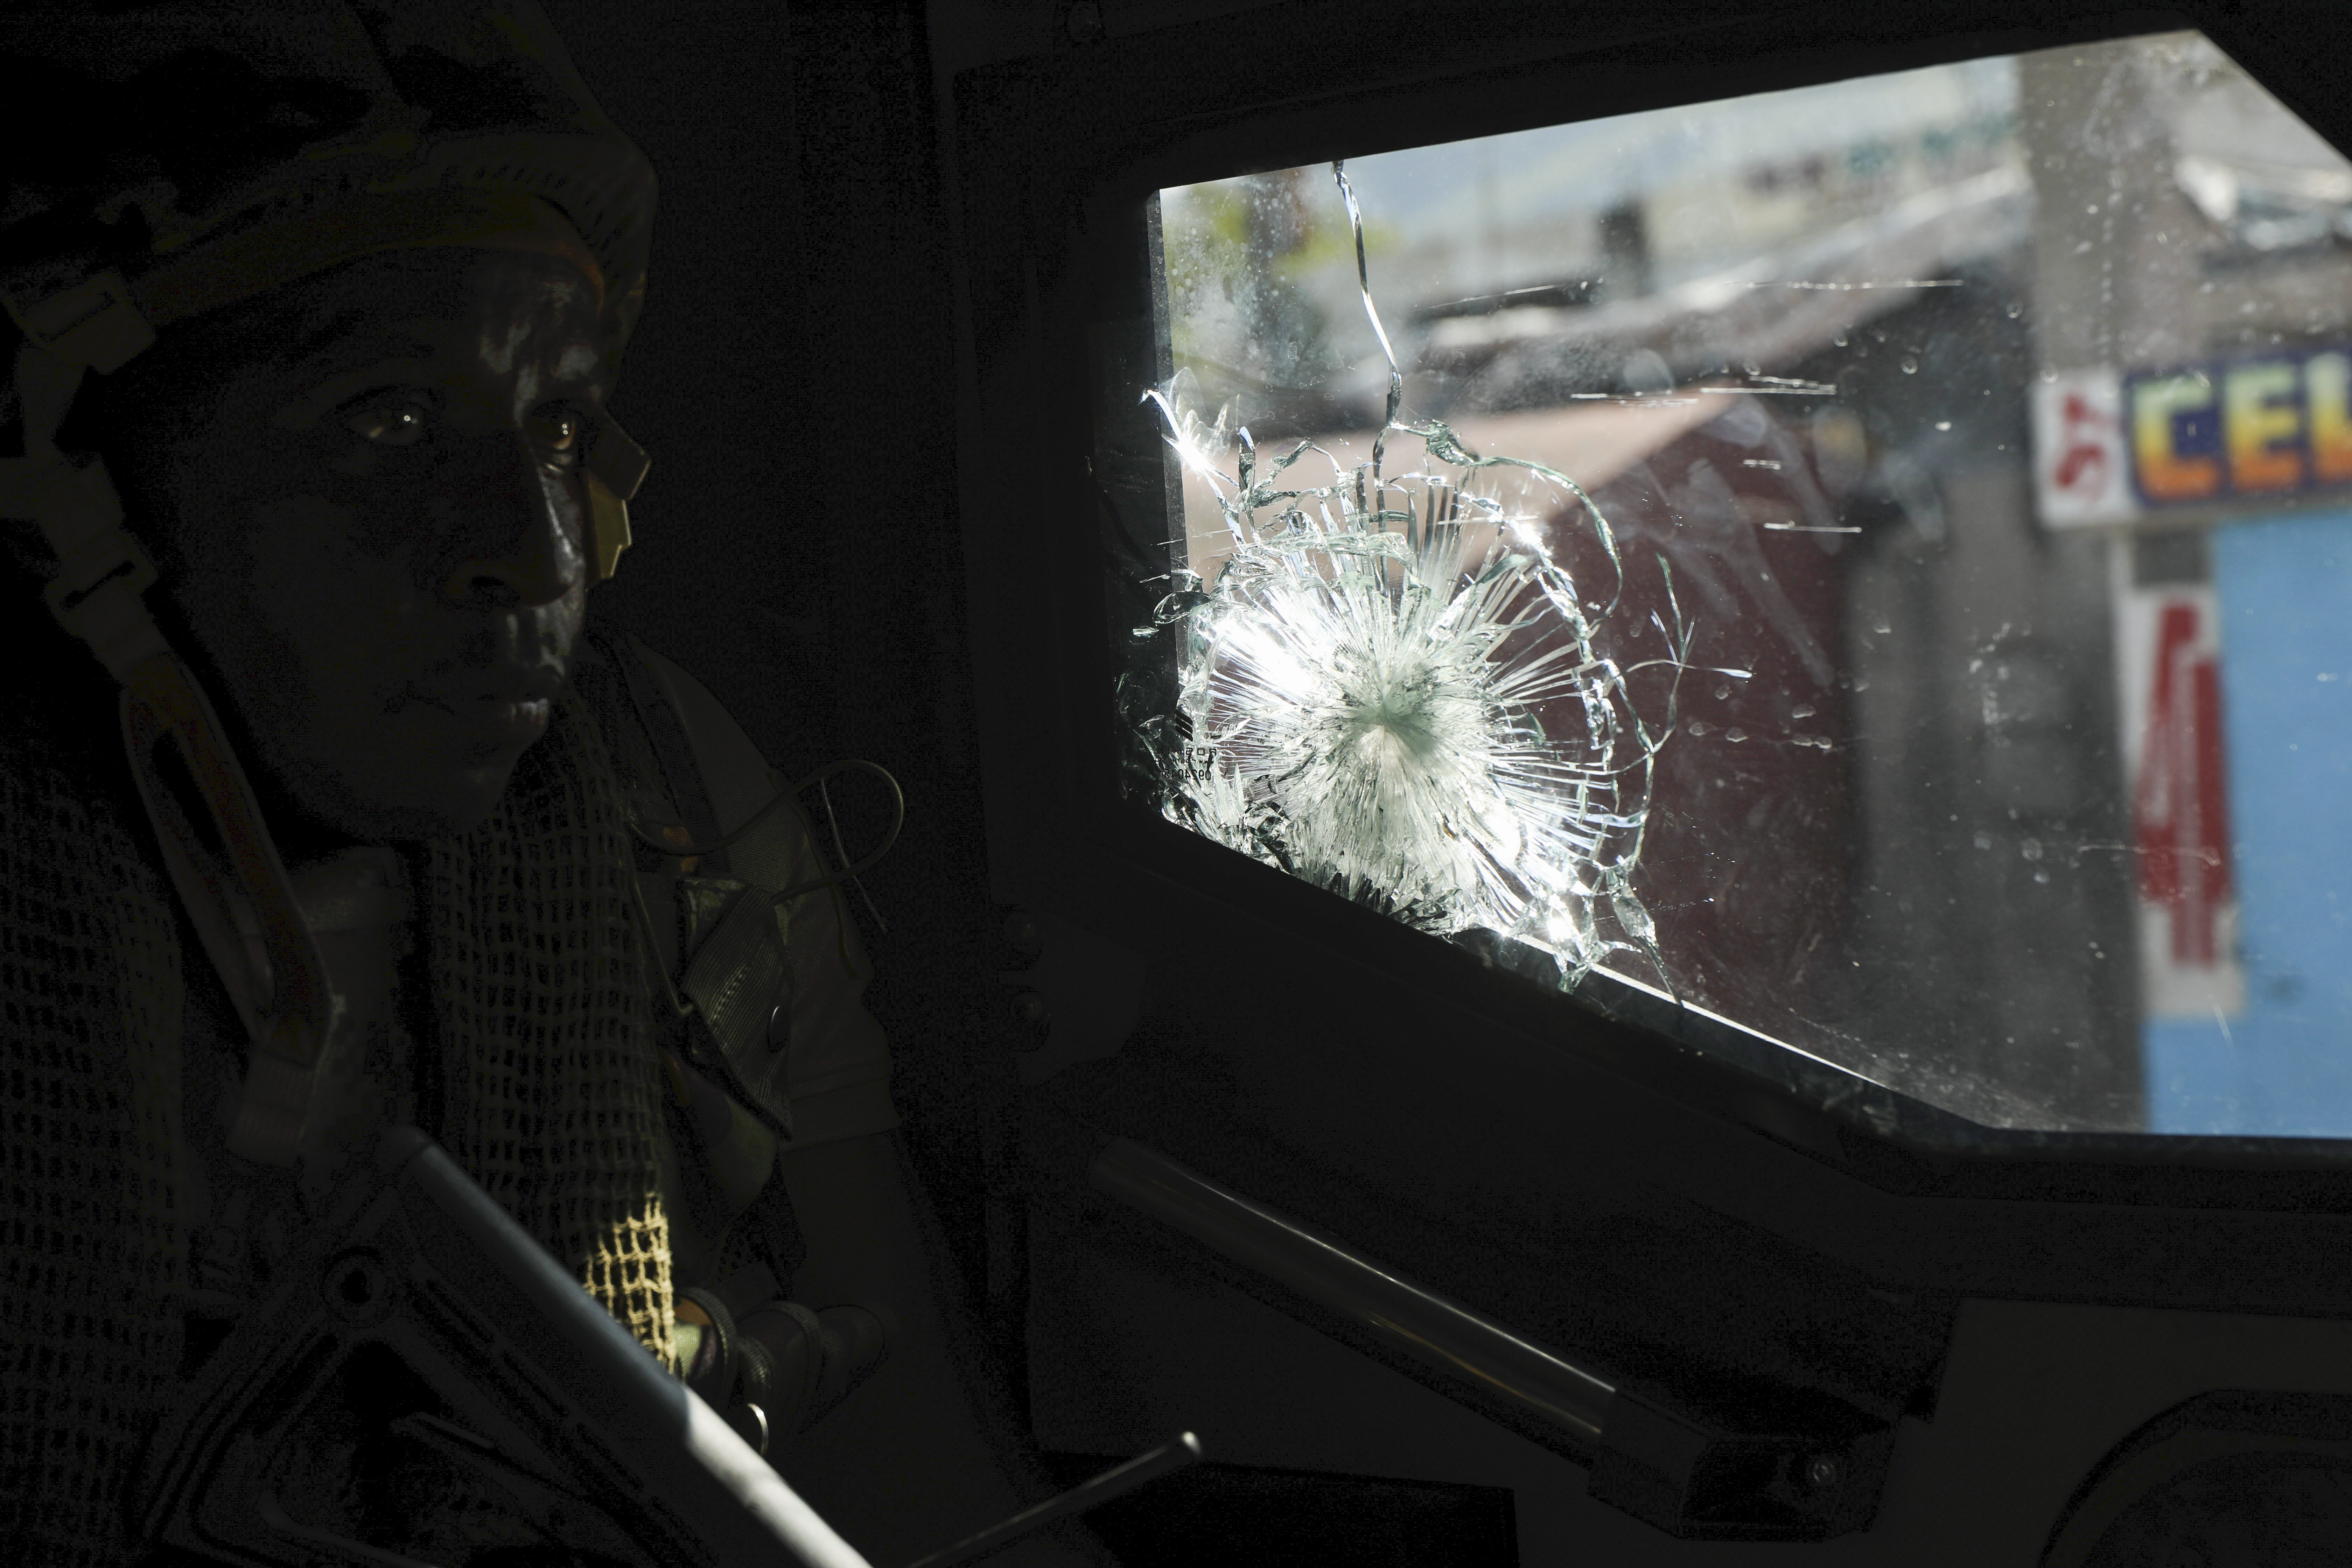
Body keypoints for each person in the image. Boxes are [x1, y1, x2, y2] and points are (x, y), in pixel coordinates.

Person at [0, 6, 1101, 1565]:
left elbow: (929, 1466)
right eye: (385, 417)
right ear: (84, 481)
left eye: (560, 427)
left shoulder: (662, 788)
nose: (530, 552)